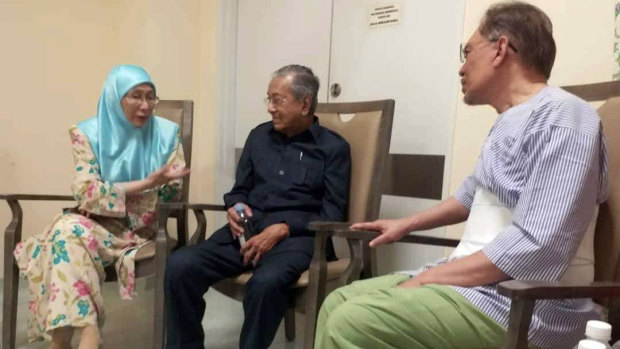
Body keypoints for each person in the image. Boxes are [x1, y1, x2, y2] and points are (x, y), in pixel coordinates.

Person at [315, 2, 608, 349]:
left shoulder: (564, 117)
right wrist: (405, 224)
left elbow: (538, 244)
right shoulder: (513, 119)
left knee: (354, 322)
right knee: (337, 302)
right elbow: (472, 195)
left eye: (467, 52)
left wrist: (432, 277)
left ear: (500, 49)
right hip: (482, 288)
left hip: (526, 304)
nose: (461, 67)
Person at [165, 64, 351, 349]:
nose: (270, 108)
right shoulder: (259, 137)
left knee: (264, 284)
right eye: (269, 99)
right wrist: (235, 205)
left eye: (278, 100)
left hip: (297, 240)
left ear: (304, 104)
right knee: (180, 265)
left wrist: (284, 228)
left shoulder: (333, 149)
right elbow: (240, 190)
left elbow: (333, 214)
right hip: (246, 232)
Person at [14, 65, 190, 349]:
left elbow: (171, 192)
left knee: (65, 234)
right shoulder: (85, 132)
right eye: (135, 96)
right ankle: (87, 332)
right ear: (114, 98)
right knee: (69, 231)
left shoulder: (167, 134)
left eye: (151, 97)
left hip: (140, 229)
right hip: (92, 225)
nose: (145, 106)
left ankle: (62, 340)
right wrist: (146, 183)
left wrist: (118, 193)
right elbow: (87, 194)